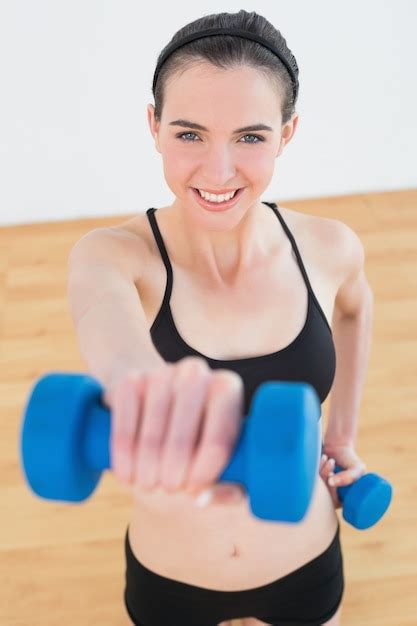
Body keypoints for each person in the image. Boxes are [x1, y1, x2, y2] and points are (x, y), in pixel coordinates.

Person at [68, 9, 372, 626]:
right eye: (189, 134)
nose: (218, 170)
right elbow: (111, 334)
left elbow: (356, 307)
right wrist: (141, 387)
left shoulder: (331, 248)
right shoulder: (113, 256)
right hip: (171, 582)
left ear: (286, 134)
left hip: (305, 565)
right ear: (153, 127)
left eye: (251, 137)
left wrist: (341, 436)